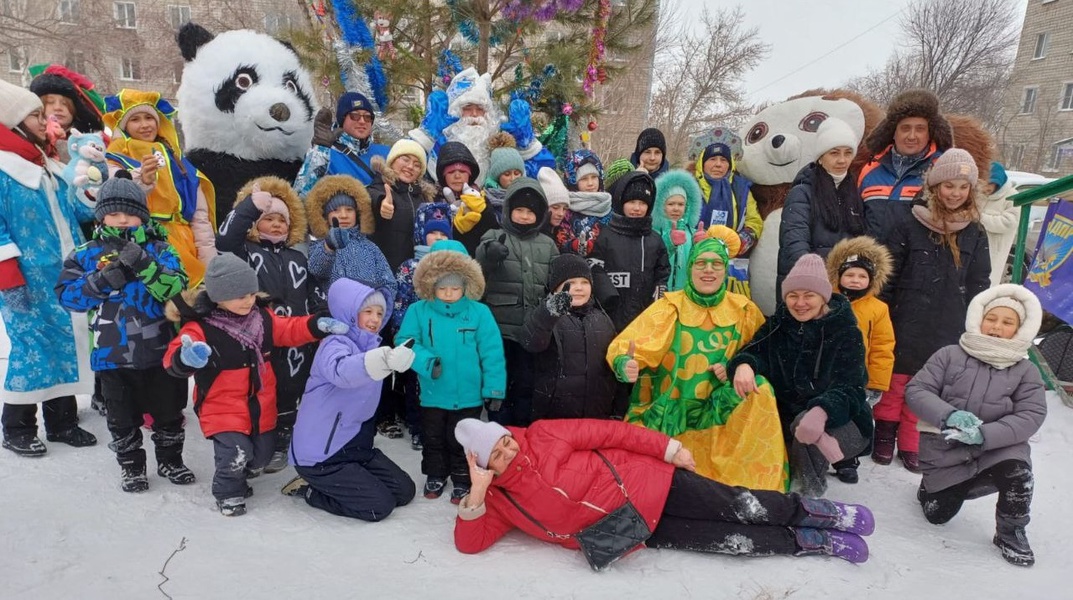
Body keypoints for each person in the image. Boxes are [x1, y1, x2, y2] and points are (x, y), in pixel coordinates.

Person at [452, 418, 875, 563]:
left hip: (650, 481)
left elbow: (612, 432)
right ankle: (808, 542)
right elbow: (469, 545)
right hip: (628, 530)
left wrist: (668, 449)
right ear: (483, 463)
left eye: (505, 439)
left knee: (737, 505)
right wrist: (475, 493)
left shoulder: (543, 435)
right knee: (727, 540)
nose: (508, 449)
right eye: (496, 452)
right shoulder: (497, 500)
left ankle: (818, 512)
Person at [162, 254, 344, 516]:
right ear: (217, 297)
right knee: (234, 452)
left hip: (260, 403)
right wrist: (186, 357)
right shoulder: (201, 327)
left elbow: (290, 329)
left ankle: (240, 475)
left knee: (261, 456)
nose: (248, 300)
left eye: (250, 293)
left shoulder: (262, 318)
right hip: (221, 405)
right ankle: (229, 493)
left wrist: (317, 324)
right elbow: (174, 355)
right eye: (239, 296)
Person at [607, 232, 787, 490]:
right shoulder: (670, 306)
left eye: (716, 264)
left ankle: (755, 481)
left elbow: (764, 352)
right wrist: (626, 363)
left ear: (725, 270)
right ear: (690, 269)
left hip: (718, 405)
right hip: (673, 407)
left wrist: (739, 366)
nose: (708, 271)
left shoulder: (744, 310)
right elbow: (626, 346)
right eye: (701, 263)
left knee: (761, 389)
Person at [55, 170, 190, 491]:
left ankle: (172, 460)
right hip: (112, 355)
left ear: (142, 216)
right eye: (114, 213)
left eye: (130, 213)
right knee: (121, 418)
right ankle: (132, 467)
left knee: (169, 413)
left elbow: (179, 289)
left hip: (161, 352)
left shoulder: (160, 249)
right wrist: (103, 280)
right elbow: (67, 296)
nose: (122, 220)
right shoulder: (86, 253)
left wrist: (145, 264)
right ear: (102, 215)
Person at [906, 284, 1047, 567]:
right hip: (946, 446)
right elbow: (917, 390)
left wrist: (984, 435)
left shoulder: (1025, 369)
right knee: (938, 515)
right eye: (991, 318)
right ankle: (933, 488)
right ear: (978, 318)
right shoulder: (949, 355)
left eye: (1007, 322)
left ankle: (1010, 532)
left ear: (1020, 329)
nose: (996, 327)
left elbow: (1031, 414)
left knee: (1018, 475)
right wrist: (949, 415)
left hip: (997, 447)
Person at [877, 149, 991, 472]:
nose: (955, 193)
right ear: (936, 185)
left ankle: (912, 438)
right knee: (895, 378)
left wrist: (974, 321)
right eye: (949, 185)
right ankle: (884, 431)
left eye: (962, 187)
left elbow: (979, 279)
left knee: (928, 382)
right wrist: (884, 310)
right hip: (906, 314)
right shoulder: (909, 221)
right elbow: (890, 272)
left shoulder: (975, 231)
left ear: (970, 191)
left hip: (948, 320)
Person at [0, 79, 96, 457]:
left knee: (68, 342)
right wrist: (7, 274)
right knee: (32, 348)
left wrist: (101, 184)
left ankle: (62, 423)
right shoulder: (4, 171)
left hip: (65, 275)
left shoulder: (49, 165)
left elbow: (81, 210)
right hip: (24, 278)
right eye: (36, 114)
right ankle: (17, 427)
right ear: (13, 122)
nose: (46, 119)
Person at [729, 254, 872, 497]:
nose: (800, 303)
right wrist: (744, 364)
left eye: (809, 295)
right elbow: (754, 351)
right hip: (787, 419)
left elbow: (852, 388)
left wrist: (822, 410)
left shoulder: (845, 331)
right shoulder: (779, 324)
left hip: (844, 423)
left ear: (823, 297)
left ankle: (807, 495)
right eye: (793, 295)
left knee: (805, 425)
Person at [283, 278, 417, 521]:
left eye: (380, 312)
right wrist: (383, 360)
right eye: (367, 311)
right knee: (379, 506)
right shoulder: (335, 344)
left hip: (356, 448)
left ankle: (348, 480)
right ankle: (312, 490)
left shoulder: (371, 346)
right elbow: (342, 371)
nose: (375, 319)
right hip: (322, 455)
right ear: (349, 311)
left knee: (404, 491)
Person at [216, 176, 323, 473]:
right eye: (269, 218)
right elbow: (224, 239)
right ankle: (252, 440)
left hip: (297, 341)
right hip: (257, 338)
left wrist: (322, 318)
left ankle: (282, 439)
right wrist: (251, 206)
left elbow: (313, 293)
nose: (277, 225)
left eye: (282, 220)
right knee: (261, 390)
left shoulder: (298, 258)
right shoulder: (245, 253)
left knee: (291, 388)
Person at [396, 240, 506, 504]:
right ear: (430, 285)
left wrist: (494, 389)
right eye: (442, 288)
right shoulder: (418, 311)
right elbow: (405, 342)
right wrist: (425, 362)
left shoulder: (480, 313)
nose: (448, 293)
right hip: (433, 393)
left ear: (466, 286)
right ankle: (435, 473)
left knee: (463, 440)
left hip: (469, 395)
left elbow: (492, 353)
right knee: (433, 437)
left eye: (455, 288)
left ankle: (461, 477)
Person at [103, 89, 217, 285]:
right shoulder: (115, 158)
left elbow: (200, 218)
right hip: (142, 244)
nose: (145, 125)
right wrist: (142, 180)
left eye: (149, 117)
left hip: (186, 244)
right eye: (135, 119)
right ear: (124, 125)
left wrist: (210, 264)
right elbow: (116, 196)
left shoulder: (180, 164)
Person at [476, 178, 558, 426]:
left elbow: (554, 280)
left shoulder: (548, 244)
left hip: (532, 329)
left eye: (530, 212)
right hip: (501, 329)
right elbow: (480, 260)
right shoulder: (495, 235)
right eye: (519, 210)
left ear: (539, 215)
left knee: (526, 381)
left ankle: (522, 427)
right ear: (509, 210)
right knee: (499, 380)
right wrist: (490, 255)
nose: (524, 216)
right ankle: (497, 424)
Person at [824, 236, 895, 483]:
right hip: (826, 373)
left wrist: (876, 383)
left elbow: (882, 347)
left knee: (851, 418)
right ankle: (821, 454)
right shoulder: (826, 301)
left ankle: (847, 459)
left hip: (857, 378)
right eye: (850, 275)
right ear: (838, 275)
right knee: (824, 414)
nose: (855, 280)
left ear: (871, 280)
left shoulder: (878, 309)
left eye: (862, 276)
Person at [408, 67, 554, 180]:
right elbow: (402, 164)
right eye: (467, 108)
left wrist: (526, 145)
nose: (474, 114)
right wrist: (426, 134)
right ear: (454, 113)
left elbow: (545, 173)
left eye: (480, 109)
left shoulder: (500, 144)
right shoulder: (438, 144)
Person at [520, 254, 617, 420]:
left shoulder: (603, 319)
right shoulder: (545, 314)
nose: (579, 288)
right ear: (556, 287)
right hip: (555, 414)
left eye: (584, 282)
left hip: (596, 413)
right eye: (570, 283)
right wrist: (549, 312)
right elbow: (532, 342)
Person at [390, 202, 453, 450]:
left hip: (448, 340)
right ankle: (418, 427)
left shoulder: (453, 267)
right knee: (417, 386)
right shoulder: (409, 267)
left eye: (443, 234)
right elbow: (400, 304)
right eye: (432, 233)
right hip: (420, 340)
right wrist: (405, 335)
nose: (437, 238)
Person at [778, 119, 867, 293]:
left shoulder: (855, 191)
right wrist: (819, 280)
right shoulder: (803, 192)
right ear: (820, 157)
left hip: (846, 288)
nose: (842, 160)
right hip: (809, 288)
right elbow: (795, 242)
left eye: (848, 153)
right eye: (834, 153)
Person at [857, 89, 953, 233]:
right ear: (893, 132)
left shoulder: (941, 170)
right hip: (873, 255)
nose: (912, 136)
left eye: (920, 129)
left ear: (930, 133)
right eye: (905, 128)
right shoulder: (870, 170)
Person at [589, 171, 670, 332]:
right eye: (632, 202)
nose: (637, 208)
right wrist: (607, 298)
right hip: (610, 317)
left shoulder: (655, 240)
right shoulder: (606, 236)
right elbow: (594, 267)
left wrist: (657, 302)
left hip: (644, 318)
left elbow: (662, 273)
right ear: (621, 202)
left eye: (642, 203)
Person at [305, 174, 396, 294]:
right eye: (335, 210)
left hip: (367, 309)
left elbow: (389, 283)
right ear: (325, 216)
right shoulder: (319, 246)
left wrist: (379, 305)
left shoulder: (370, 248)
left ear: (357, 213)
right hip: (333, 311)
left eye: (349, 209)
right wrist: (329, 246)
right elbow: (316, 270)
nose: (343, 215)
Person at [293, 92, 390, 194]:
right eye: (355, 116)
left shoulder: (386, 152)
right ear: (342, 120)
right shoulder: (326, 154)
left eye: (367, 117)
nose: (362, 121)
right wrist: (320, 150)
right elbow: (300, 195)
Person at [367, 139, 436, 272]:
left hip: (416, 275)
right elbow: (373, 197)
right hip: (384, 273)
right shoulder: (380, 188)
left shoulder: (425, 198)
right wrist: (382, 205)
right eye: (405, 159)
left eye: (417, 164)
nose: (410, 166)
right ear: (392, 161)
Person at [694, 134, 762, 256]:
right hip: (695, 255)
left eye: (723, 160)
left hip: (732, 259)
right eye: (712, 159)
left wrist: (740, 241)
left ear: (730, 165)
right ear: (702, 163)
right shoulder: (691, 187)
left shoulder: (741, 189)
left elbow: (754, 221)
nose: (718, 164)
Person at [28, 63, 106, 163]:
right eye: (50, 102)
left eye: (64, 103)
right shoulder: (29, 137)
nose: (58, 108)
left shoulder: (92, 139)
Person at [652, 169, 703, 291]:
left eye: (681, 204)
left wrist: (702, 246)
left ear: (687, 207)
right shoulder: (654, 232)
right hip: (660, 294)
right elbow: (652, 260)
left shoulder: (693, 233)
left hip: (687, 294)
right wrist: (669, 242)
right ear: (661, 205)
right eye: (671, 204)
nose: (676, 209)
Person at [562, 149, 612, 257]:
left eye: (594, 177)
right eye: (584, 179)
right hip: (577, 269)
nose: (590, 183)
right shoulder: (566, 210)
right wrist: (574, 246)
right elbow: (559, 245)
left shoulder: (608, 206)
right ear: (573, 181)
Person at [979, 162, 1019, 286]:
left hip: (995, 249)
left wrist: (980, 218)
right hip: (976, 244)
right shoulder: (980, 194)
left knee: (987, 282)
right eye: (983, 184)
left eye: (989, 184)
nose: (985, 188)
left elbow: (1009, 223)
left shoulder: (1012, 197)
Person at [536, 167, 576, 253]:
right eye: (555, 207)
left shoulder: (567, 230)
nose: (561, 214)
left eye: (565, 209)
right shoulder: (531, 231)